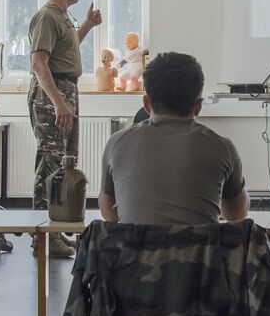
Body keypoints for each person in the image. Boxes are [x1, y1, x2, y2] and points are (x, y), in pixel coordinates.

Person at [98, 52, 247, 226]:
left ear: (146, 104)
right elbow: (236, 214)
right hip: (199, 253)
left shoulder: (117, 143)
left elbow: (109, 213)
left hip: (136, 253)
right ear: (198, 106)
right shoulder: (222, 147)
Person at [28, 0, 100, 253]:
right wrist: (58, 103)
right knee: (51, 161)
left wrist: (87, 26)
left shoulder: (62, 18)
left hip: (67, 89)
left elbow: (66, 50)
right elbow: (39, 64)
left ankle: (56, 229)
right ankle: (42, 236)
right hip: (52, 93)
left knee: (66, 160)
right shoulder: (46, 17)